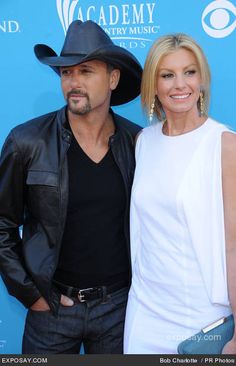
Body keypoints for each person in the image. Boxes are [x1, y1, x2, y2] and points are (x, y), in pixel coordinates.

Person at [0, 20, 142, 354]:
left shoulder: (137, 143)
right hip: (51, 311)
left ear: (113, 78)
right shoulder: (27, 141)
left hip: (119, 310)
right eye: (66, 73)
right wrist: (32, 296)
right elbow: (2, 225)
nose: (73, 83)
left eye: (86, 71)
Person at [124, 33, 236, 354]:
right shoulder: (143, 141)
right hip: (145, 312)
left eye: (189, 72)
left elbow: (233, 247)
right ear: (154, 85)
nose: (179, 84)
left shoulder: (224, 145)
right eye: (167, 75)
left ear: (202, 80)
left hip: (202, 317)